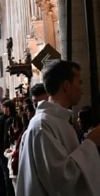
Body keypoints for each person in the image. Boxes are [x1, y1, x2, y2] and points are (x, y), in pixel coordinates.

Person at [16, 60, 100, 196]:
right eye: (79, 83)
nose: (82, 90)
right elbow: (60, 180)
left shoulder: (58, 121)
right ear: (66, 86)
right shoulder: (43, 125)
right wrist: (91, 143)